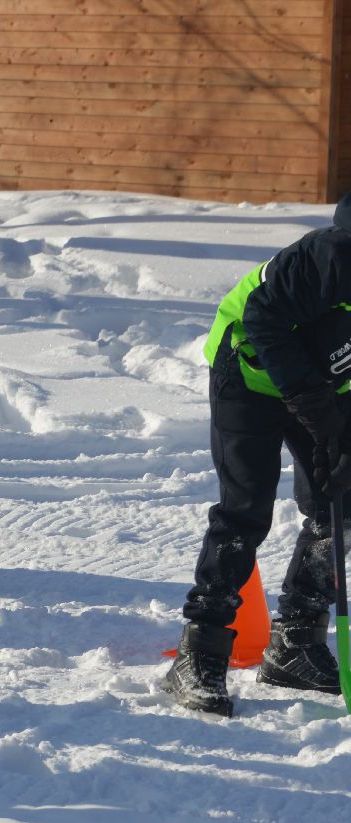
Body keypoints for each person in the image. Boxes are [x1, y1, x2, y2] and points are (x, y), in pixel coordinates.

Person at [161, 192, 351, 717]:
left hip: (323, 384)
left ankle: (295, 644)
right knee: (245, 511)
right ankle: (199, 652)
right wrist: (310, 399)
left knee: (339, 499)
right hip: (246, 371)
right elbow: (262, 319)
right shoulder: (329, 258)